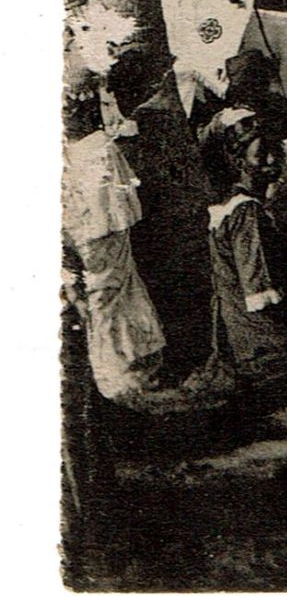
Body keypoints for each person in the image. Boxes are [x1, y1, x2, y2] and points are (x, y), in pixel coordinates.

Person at [105, 48, 215, 377]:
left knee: (165, 298)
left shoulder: (141, 127)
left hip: (159, 225)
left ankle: (176, 366)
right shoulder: (169, 119)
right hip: (181, 222)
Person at [62, 67, 166, 400]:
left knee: (105, 293)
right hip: (98, 228)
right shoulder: (97, 148)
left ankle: (121, 368)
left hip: (88, 227)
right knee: (109, 293)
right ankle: (119, 373)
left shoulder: (82, 148)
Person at [200, 107, 287, 384]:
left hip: (232, 333)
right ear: (238, 161)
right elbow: (259, 289)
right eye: (260, 154)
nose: (270, 161)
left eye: (273, 152)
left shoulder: (226, 205)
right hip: (259, 339)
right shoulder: (247, 213)